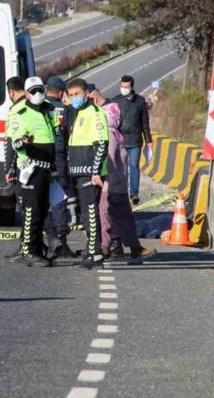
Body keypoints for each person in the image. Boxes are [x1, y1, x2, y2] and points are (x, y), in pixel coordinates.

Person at [3, 76, 61, 266]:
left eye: (40, 90)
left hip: (46, 168)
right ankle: (29, 251)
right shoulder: (21, 112)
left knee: (42, 211)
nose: (39, 94)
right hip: (31, 168)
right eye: (34, 91)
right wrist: (23, 143)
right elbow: (15, 142)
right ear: (26, 94)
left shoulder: (47, 110)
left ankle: (36, 249)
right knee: (31, 211)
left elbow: (56, 132)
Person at [95, 96, 157, 265]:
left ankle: (110, 246)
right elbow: (109, 159)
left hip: (117, 184)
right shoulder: (111, 136)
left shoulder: (116, 134)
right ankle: (109, 247)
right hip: (113, 185)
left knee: (112, 215)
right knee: (115, 216)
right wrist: (102, 177)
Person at [64, 77, 109, 269]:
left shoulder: (95, 113)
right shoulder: (76, 113)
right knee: (85, 214)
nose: (74, 98)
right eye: (71, 95)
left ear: (86, 93)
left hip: (89, 172)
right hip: (77, 171)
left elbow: (101, 144)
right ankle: (92, 251)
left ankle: (95, 254)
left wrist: (96, 171)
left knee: (91, 213)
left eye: (77, 94)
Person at [43, 75, 79, 258]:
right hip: (61, 158)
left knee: (43, 199)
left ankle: (50, 239)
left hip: (43, 156)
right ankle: (61, 238)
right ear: (59, 92)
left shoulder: (40, 108)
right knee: (61, 197)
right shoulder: (65, 110)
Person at [112, 75, 153, 206]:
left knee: (134, 165)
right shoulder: (116, 100)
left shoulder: (140, 101)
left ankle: (134, 193)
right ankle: (121, 192)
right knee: (121, 167)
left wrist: (149, 140)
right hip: (121, 139)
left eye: (126, 87)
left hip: (135, 139)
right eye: (122, 86)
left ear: (132, 87)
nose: (124, 89)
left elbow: (145, 123)